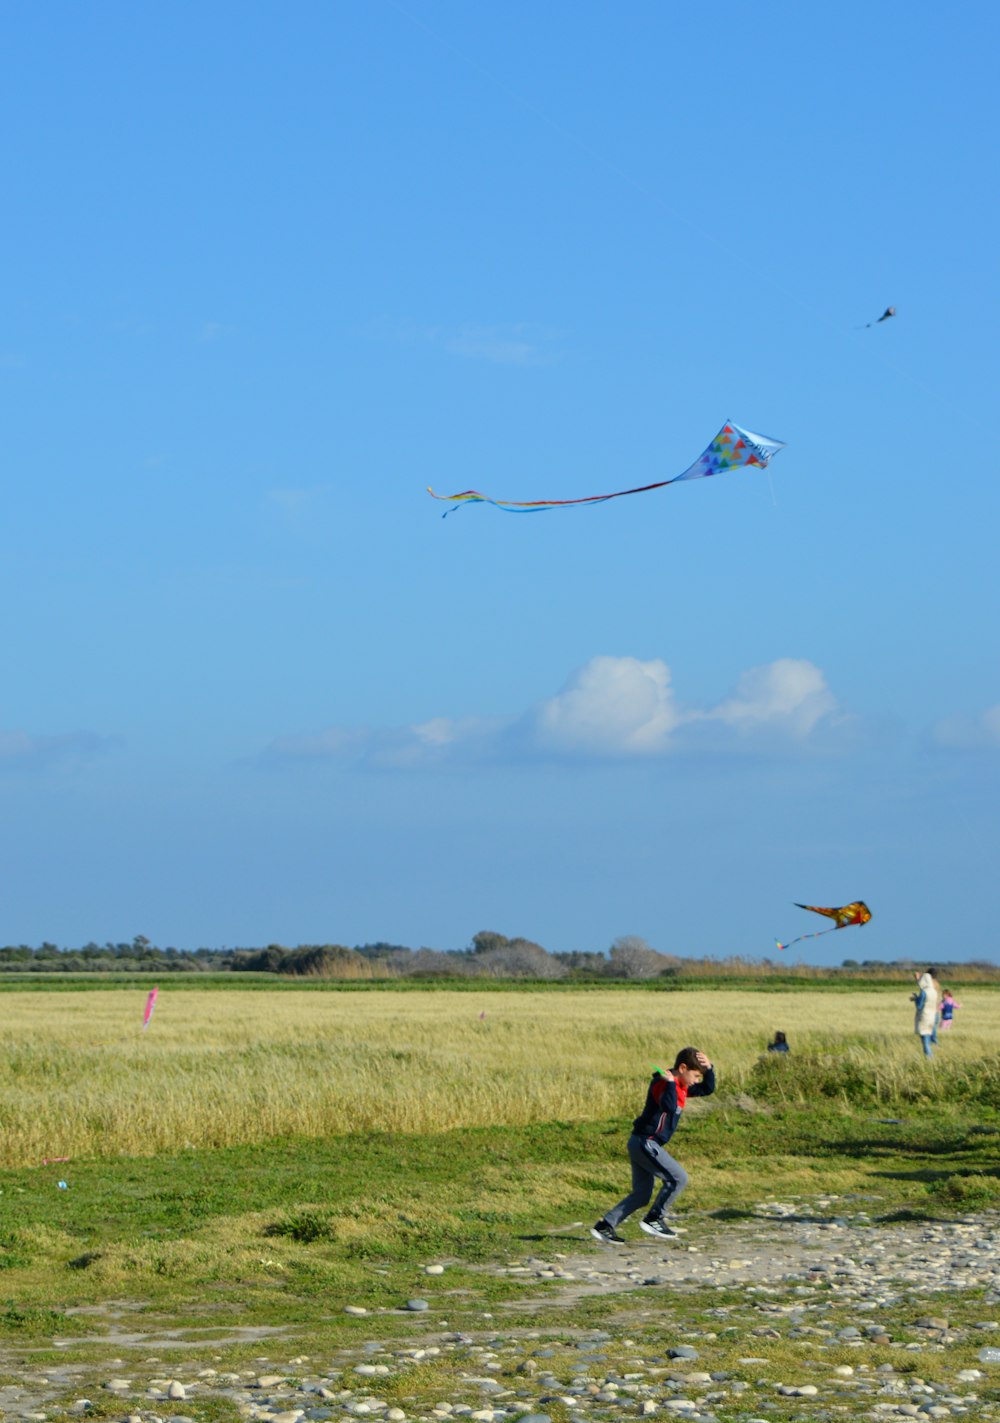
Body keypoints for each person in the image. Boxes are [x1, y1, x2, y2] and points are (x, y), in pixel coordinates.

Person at [591, 1047, 716, 1245]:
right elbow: (667, 1105)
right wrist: (669, 1084)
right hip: (645, 1142)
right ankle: (654, 1218)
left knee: (641, 1195)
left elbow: (707, 1089)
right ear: (682, 1068)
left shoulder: (681, 1086)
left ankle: (605, 1225)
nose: (697, 1080)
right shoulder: (661, 1083)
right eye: (696, 1075)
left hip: (642, 1142)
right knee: (678, 1178)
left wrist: (709, 1068)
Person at [911, 967, 939, 1058]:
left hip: (924, 1016)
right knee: (929, 1036)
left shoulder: (924, 992)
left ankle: (929, 1057)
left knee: (925, 1038)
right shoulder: (934, 991)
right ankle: (929, 1055)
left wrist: (915, 998)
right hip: (932, 1016)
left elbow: (919, 1005)